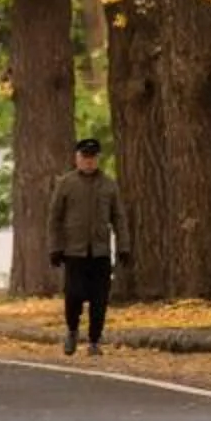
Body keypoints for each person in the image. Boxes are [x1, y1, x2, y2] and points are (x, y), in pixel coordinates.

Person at [44, 137, 127, 357]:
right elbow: (54, 218)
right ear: (77, 158)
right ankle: (72, 330)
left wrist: (123, 247)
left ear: (97, 159)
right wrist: (55, 247)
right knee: (74, 295)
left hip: (99, 252)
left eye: (92, 158)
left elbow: (119, 218)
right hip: (74, 251)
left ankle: (94, 341)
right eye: (84, 157)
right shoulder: (66, 183)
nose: (88, 162)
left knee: (100, 299)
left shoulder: (109, 185)